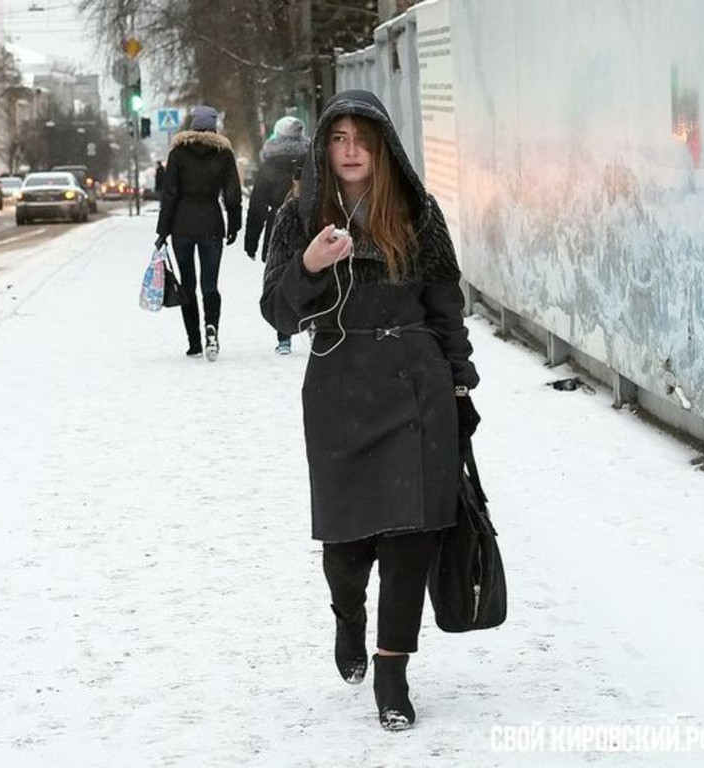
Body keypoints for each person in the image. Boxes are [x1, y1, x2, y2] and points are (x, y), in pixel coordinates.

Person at [259, 90, 480, 731]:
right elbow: (276, 311)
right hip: (337, 387)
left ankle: (393, 670)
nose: (350, 149)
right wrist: (308, 264)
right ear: (324, 147)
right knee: (347, 548)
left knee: (412, 538)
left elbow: (446, 308)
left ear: (382, 145)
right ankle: (348, 613)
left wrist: (461, 386)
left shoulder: (417, 212)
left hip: (417, 387)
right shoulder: (300, 216)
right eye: (338, 137)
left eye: (362, 137)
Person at [155, 105, 243, 361]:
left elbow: (169, 193)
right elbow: (232, 194)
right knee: (210, 284)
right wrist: (234, 224)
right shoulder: (223, 153)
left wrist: (163, 230)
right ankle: (211, 331)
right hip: (212, 225)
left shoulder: (179, 153)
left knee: (188, 284)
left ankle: (194, 341)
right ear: (214, 127)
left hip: (181, 226)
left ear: (193, 126)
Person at [244, 115, 311, 355]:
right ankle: (313, 323)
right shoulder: (312, 161)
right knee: (313, 272)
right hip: (309, 225)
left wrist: (251, 240)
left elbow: (258, 204)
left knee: (280, 277)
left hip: (278, 227)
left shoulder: (269, 165)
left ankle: (284, 337)